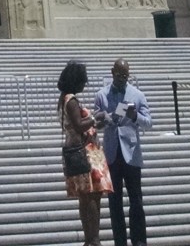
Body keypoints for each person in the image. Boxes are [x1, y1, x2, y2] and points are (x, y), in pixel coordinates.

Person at [95, 56, 151, 246]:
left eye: (125, 76)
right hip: (112, 153)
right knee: (114, 201)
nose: (122, 79)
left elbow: (149, 122)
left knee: (136, 199)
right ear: (112, 73)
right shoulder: (102, 95)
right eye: (119, 75)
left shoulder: (137, 94)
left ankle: (139, 241)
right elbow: (97, 123)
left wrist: (135, 116)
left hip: (131, 153)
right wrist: (110, 116)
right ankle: (120, 241)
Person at [59, 60, 111, 246]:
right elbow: (78, 126)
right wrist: (95, 119)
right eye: (83, 80)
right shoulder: (70, 100)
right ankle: (93, 240)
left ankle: (91, 240)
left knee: (89, 196)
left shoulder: (66, 98)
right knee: (90, 196)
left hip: (84, 152)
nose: (85, 83)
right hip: (84, 154)